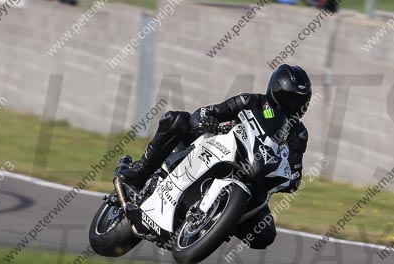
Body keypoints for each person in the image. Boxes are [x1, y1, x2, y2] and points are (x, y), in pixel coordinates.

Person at [119, 65, 312, 250]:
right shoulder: (250, 101)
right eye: (289, 99)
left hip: (254, 174)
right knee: (176, 120)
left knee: (264, 235)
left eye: (299, 102)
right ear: (276, 91)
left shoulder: (299, 134)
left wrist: (292, 179)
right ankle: (140, 171)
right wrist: (206, 120)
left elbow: (295, 168)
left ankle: (219, 220)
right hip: (215, 146)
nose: (293, 105)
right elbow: (210, 111)